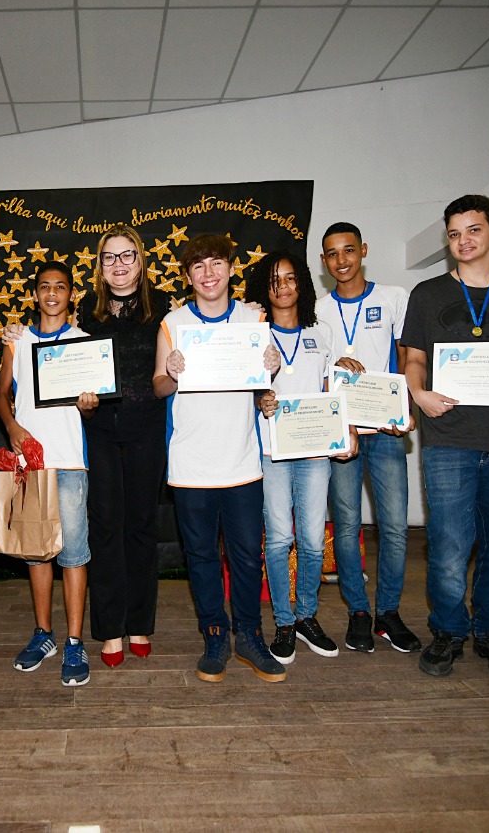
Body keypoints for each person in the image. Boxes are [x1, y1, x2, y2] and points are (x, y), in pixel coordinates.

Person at [400, 195, 489, 678]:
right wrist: (418, 394)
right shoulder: (427, 294)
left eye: (474, 230)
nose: (464, 241)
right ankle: (448, 632)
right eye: (455, 234)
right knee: (448, 545)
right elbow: (414, 358)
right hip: (448, 437)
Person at [153, 233, 284, 683]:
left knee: (247, 556)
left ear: (230, 269)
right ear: (188, 276)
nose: (208, 273)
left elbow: (263, 384)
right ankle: (214, 634)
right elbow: (159, 387)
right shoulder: (173, 322)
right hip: (191, 463)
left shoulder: (253, 318)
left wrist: (271, 366)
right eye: (198, 266)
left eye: (216, 264)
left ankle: (249, 634)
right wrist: (171, 372)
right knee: (202, 556)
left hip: (242, 461)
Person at [314, 222, 422, 655]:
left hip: (386, 430)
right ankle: (358, 611)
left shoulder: (394, 297)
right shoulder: (318, 310)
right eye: (332, 253)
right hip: (343, 433)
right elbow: (317, 369)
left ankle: (389, 613)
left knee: (394, 526)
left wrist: (406, 406)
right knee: (346, 525)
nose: (341, 260)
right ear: (323, 261)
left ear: (363, 250)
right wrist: (333, 368)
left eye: (348, 250)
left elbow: (407, 357)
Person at [246, 250, 352, 665]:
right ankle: (284, 622)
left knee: (311, 538)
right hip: (270, 451)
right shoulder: (253, 332)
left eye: (290, 278)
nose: (283, 287)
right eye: (274, 280)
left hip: (314, 450)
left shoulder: (321, 332)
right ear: (264, 288)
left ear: (302, 284)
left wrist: (344, 423)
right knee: (278, 539)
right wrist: (259, 397)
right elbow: (240, 387)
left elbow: (331, 388)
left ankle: (307, 616)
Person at [0, 262, 97, 686]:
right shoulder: (17, 340)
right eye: (44, 286)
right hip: (31, 462)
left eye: (60, 287)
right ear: (35, 294)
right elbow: (2, 393)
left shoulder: (85, 343)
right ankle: (43, 634)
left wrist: (89, 405)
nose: (52, 293)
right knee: (37, 551)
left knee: (72, 553)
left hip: (70, 461)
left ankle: (74, 640)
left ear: (71, 294)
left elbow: (91, 406)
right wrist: (13, 427)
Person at [75, 224, 169, 667]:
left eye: (127, 255)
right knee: (105, 527)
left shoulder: (163, 307)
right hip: (99, 430)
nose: (119, 264)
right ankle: (110, 629)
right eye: (110, 257)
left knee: (141, 527)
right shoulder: (86, 312)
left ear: (140, 260)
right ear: (100, 265)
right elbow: (59, 358)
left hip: (147, 428)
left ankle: (139, 624)